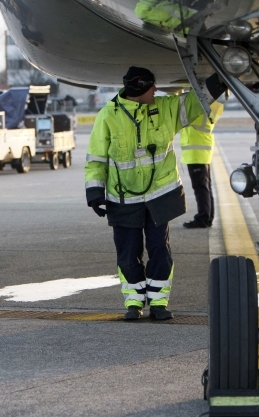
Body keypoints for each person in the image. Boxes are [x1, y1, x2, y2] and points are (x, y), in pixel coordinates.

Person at [84, 66, 225, 320]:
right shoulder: (108, 115)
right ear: (140, 89)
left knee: (160, 248)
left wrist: (222, 77)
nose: (156, 90)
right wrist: (94, 191)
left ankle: (159, 302)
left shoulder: (165, 109)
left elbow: (195, 102)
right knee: (128, 252)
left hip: (160, 195)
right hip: (124, 198)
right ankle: (134, 304)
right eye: (152, 86)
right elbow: (95, 158)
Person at [180, 101, 223, 228]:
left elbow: (180, 112)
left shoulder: (193, 110)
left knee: (200, 188)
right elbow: (218, 106)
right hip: (202, 152)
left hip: (195, 153)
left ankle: (203, 218)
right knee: (205, 187)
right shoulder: (210, 109)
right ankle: (208, 217)